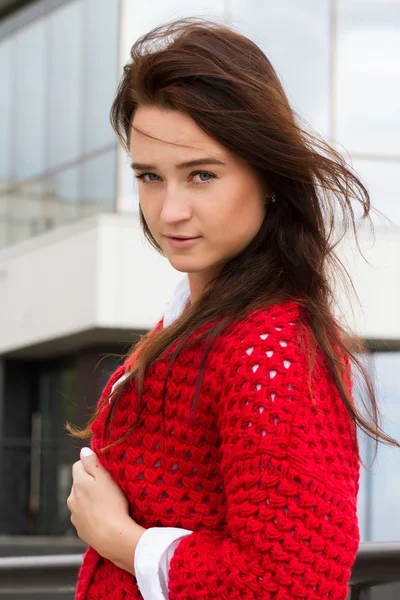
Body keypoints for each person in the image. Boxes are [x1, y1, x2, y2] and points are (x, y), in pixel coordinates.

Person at [66, 17, 399, 600]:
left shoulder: (270, 349)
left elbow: (292, 581)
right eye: (149, 177)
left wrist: (120, 538)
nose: (169, 211)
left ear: (267, 176)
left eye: (201, 175)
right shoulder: (191, 320)